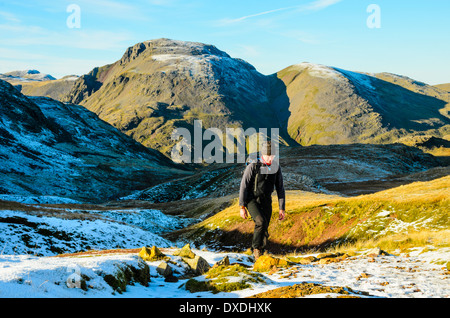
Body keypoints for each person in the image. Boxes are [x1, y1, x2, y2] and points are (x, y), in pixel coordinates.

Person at [239, 140, 286, 260]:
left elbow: (280, 188)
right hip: (251, 199)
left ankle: (263, 252)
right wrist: (242, 207)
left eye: (272, 156)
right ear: (262, 155)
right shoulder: (253, 166)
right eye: (267, 156)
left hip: (266, 200)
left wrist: (282, 208)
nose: (270, 158)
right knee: (260, 221)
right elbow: (244, 186)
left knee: (265, 226)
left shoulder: (276, 167)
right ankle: (256, 249)